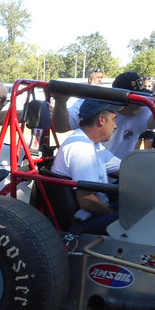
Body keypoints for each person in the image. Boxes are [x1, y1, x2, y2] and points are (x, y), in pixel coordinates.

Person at [51, 99, 121, 234]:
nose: (115, 126)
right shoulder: (81, 148)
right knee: (140, 219)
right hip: (84, 220)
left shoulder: (93, 144)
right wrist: (117, 218)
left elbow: (125, 169)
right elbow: (86, 201)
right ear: (101, 119)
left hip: (93, 211)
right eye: (114, 119)